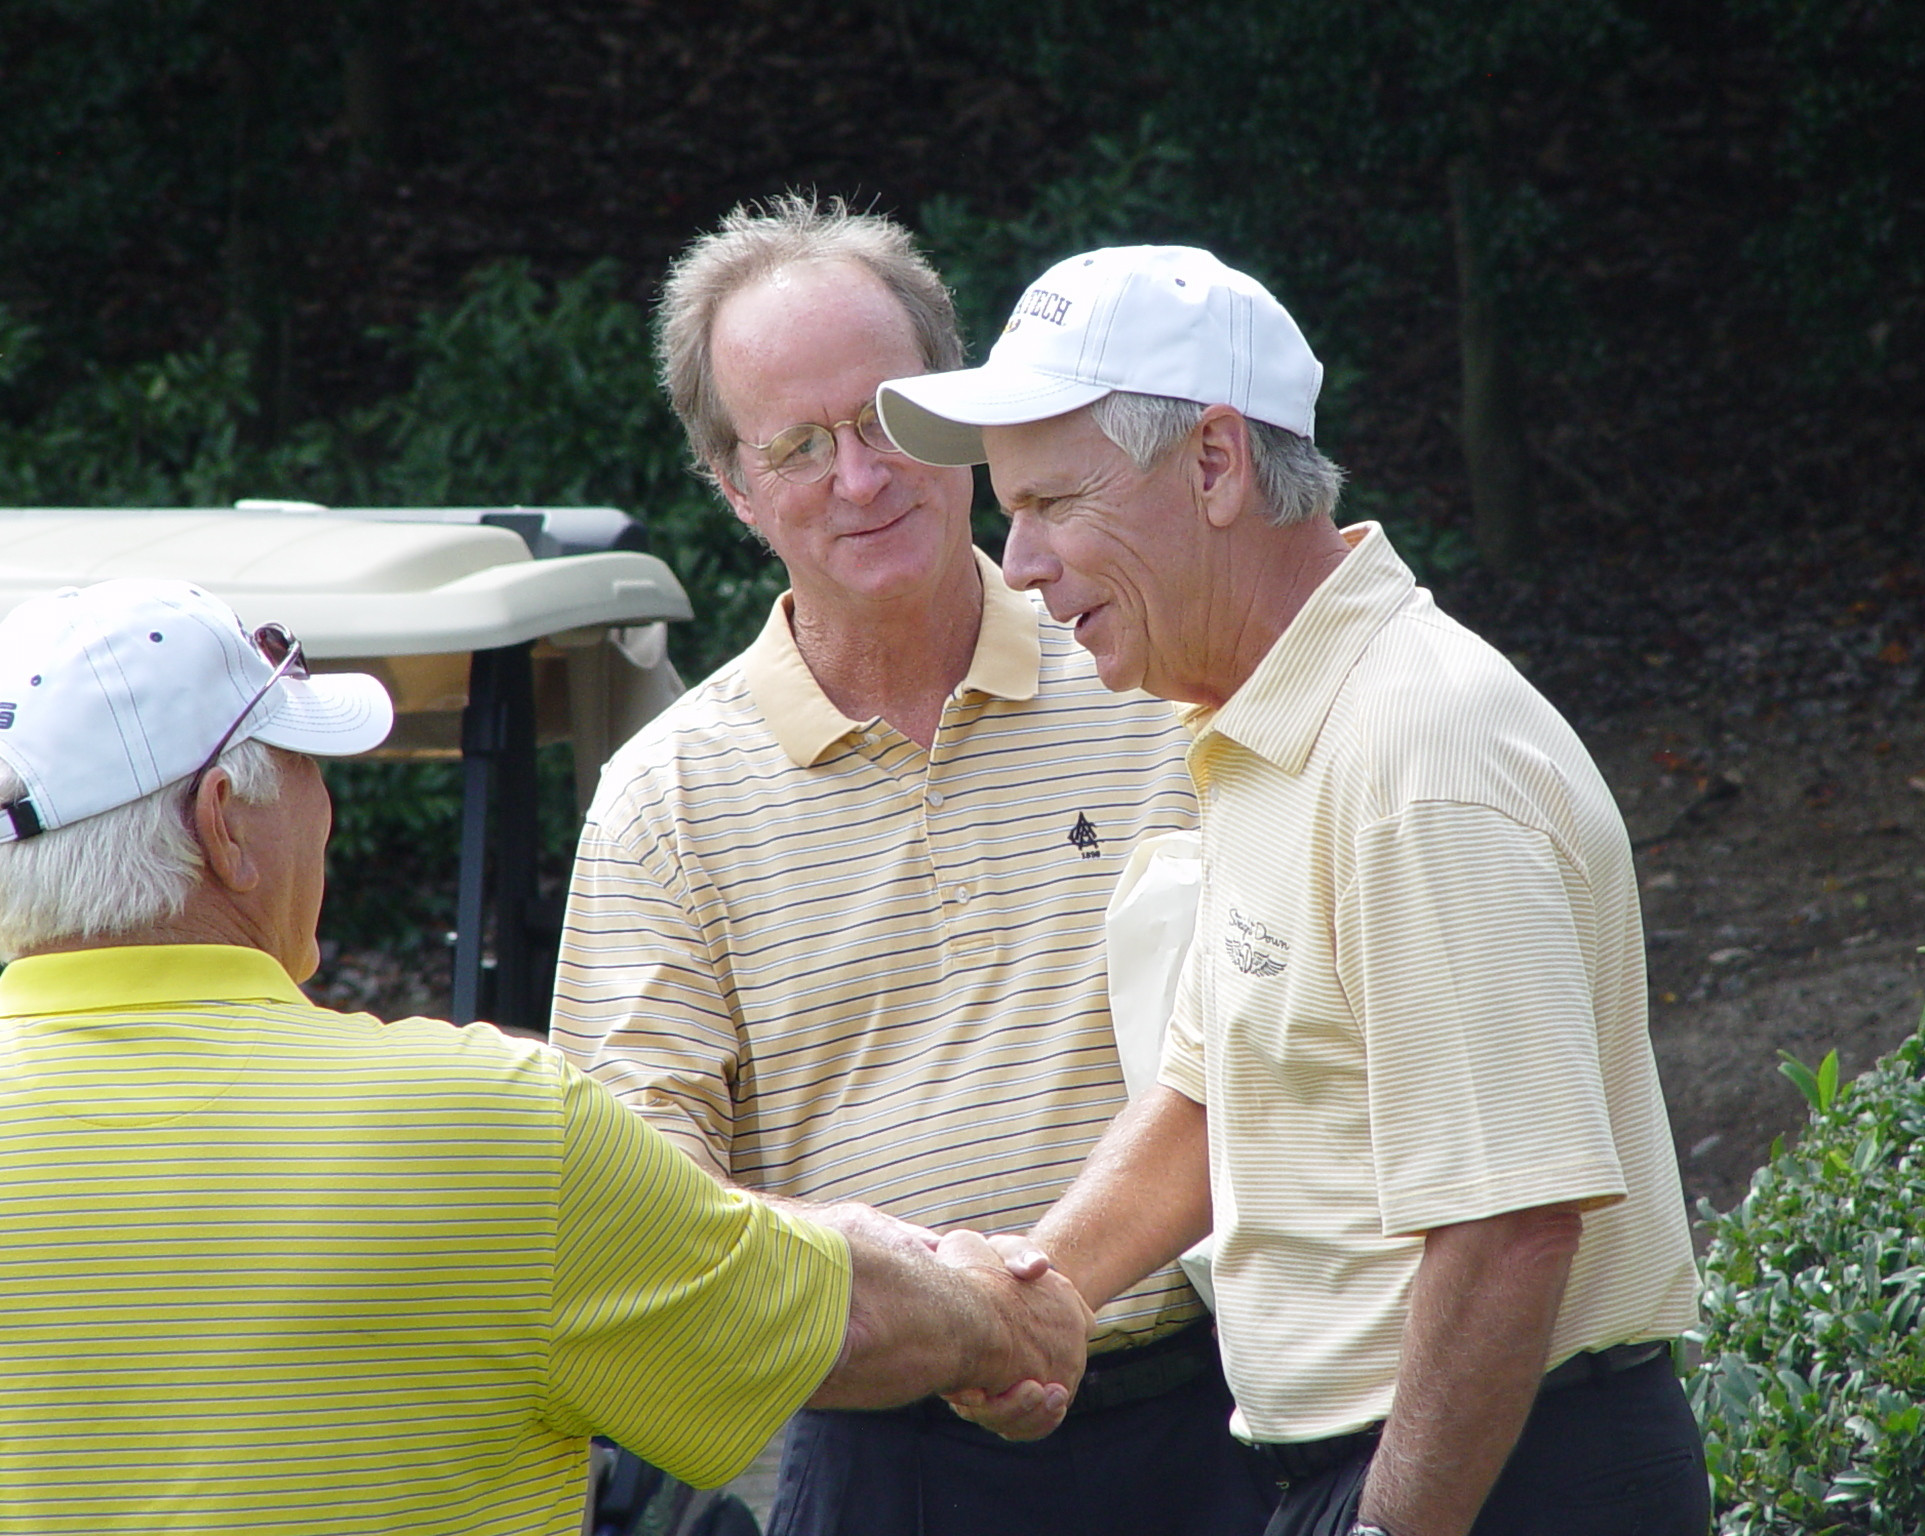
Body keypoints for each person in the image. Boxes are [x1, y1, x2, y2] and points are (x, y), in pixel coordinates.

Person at [876, 244, 1711, 1536]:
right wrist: (1037, 1297)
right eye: (1009, 513)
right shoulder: (1266, 731)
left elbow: (1513, 1228)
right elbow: (1215, 1098)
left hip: (1494, 1478)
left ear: (1215, 464)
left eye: (1050, 504)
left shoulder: (1413, 756)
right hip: (1407, 1471)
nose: (1021, 564)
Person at [0, 577, 1090, 1536]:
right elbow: (836, 1318)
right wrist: (1003, 1320)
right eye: (303, 769)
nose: (327, 809)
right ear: (225, 824)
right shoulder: (475, 1125)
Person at [550, 196, 1276, 1536]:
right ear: (734, 488)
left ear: (965, 417)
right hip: (885, 1468)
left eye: (888, 418)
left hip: (1215, 1420)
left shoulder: (1156, 672)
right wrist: (938, 1315)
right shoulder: (666, 799)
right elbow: (639, 1197)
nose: (862, 477)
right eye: (800, 446)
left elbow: (1294, 1036)